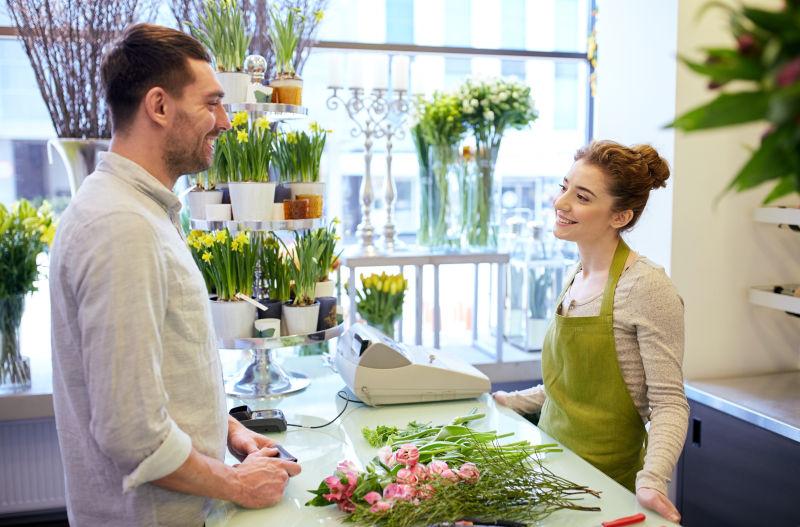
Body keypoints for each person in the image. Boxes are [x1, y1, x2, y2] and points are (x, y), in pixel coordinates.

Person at [49, 23, 300, 526]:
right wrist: (238, 483)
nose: (225, 122)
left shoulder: (140, 211)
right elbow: (131, 433)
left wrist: (225, 428)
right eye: (211, 103)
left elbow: (146, 377)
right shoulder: (121, 227)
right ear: (159, 107)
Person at [493, 141, 688, 524]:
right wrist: (511, 401)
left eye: (581, 197)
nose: (560, 203)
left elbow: (668, 402)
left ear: (620, 216)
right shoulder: (576, 275)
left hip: (602, 488)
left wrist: (652, 480)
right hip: (547, 467)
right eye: (564, 187)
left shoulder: (647, 287)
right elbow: (571, 384)